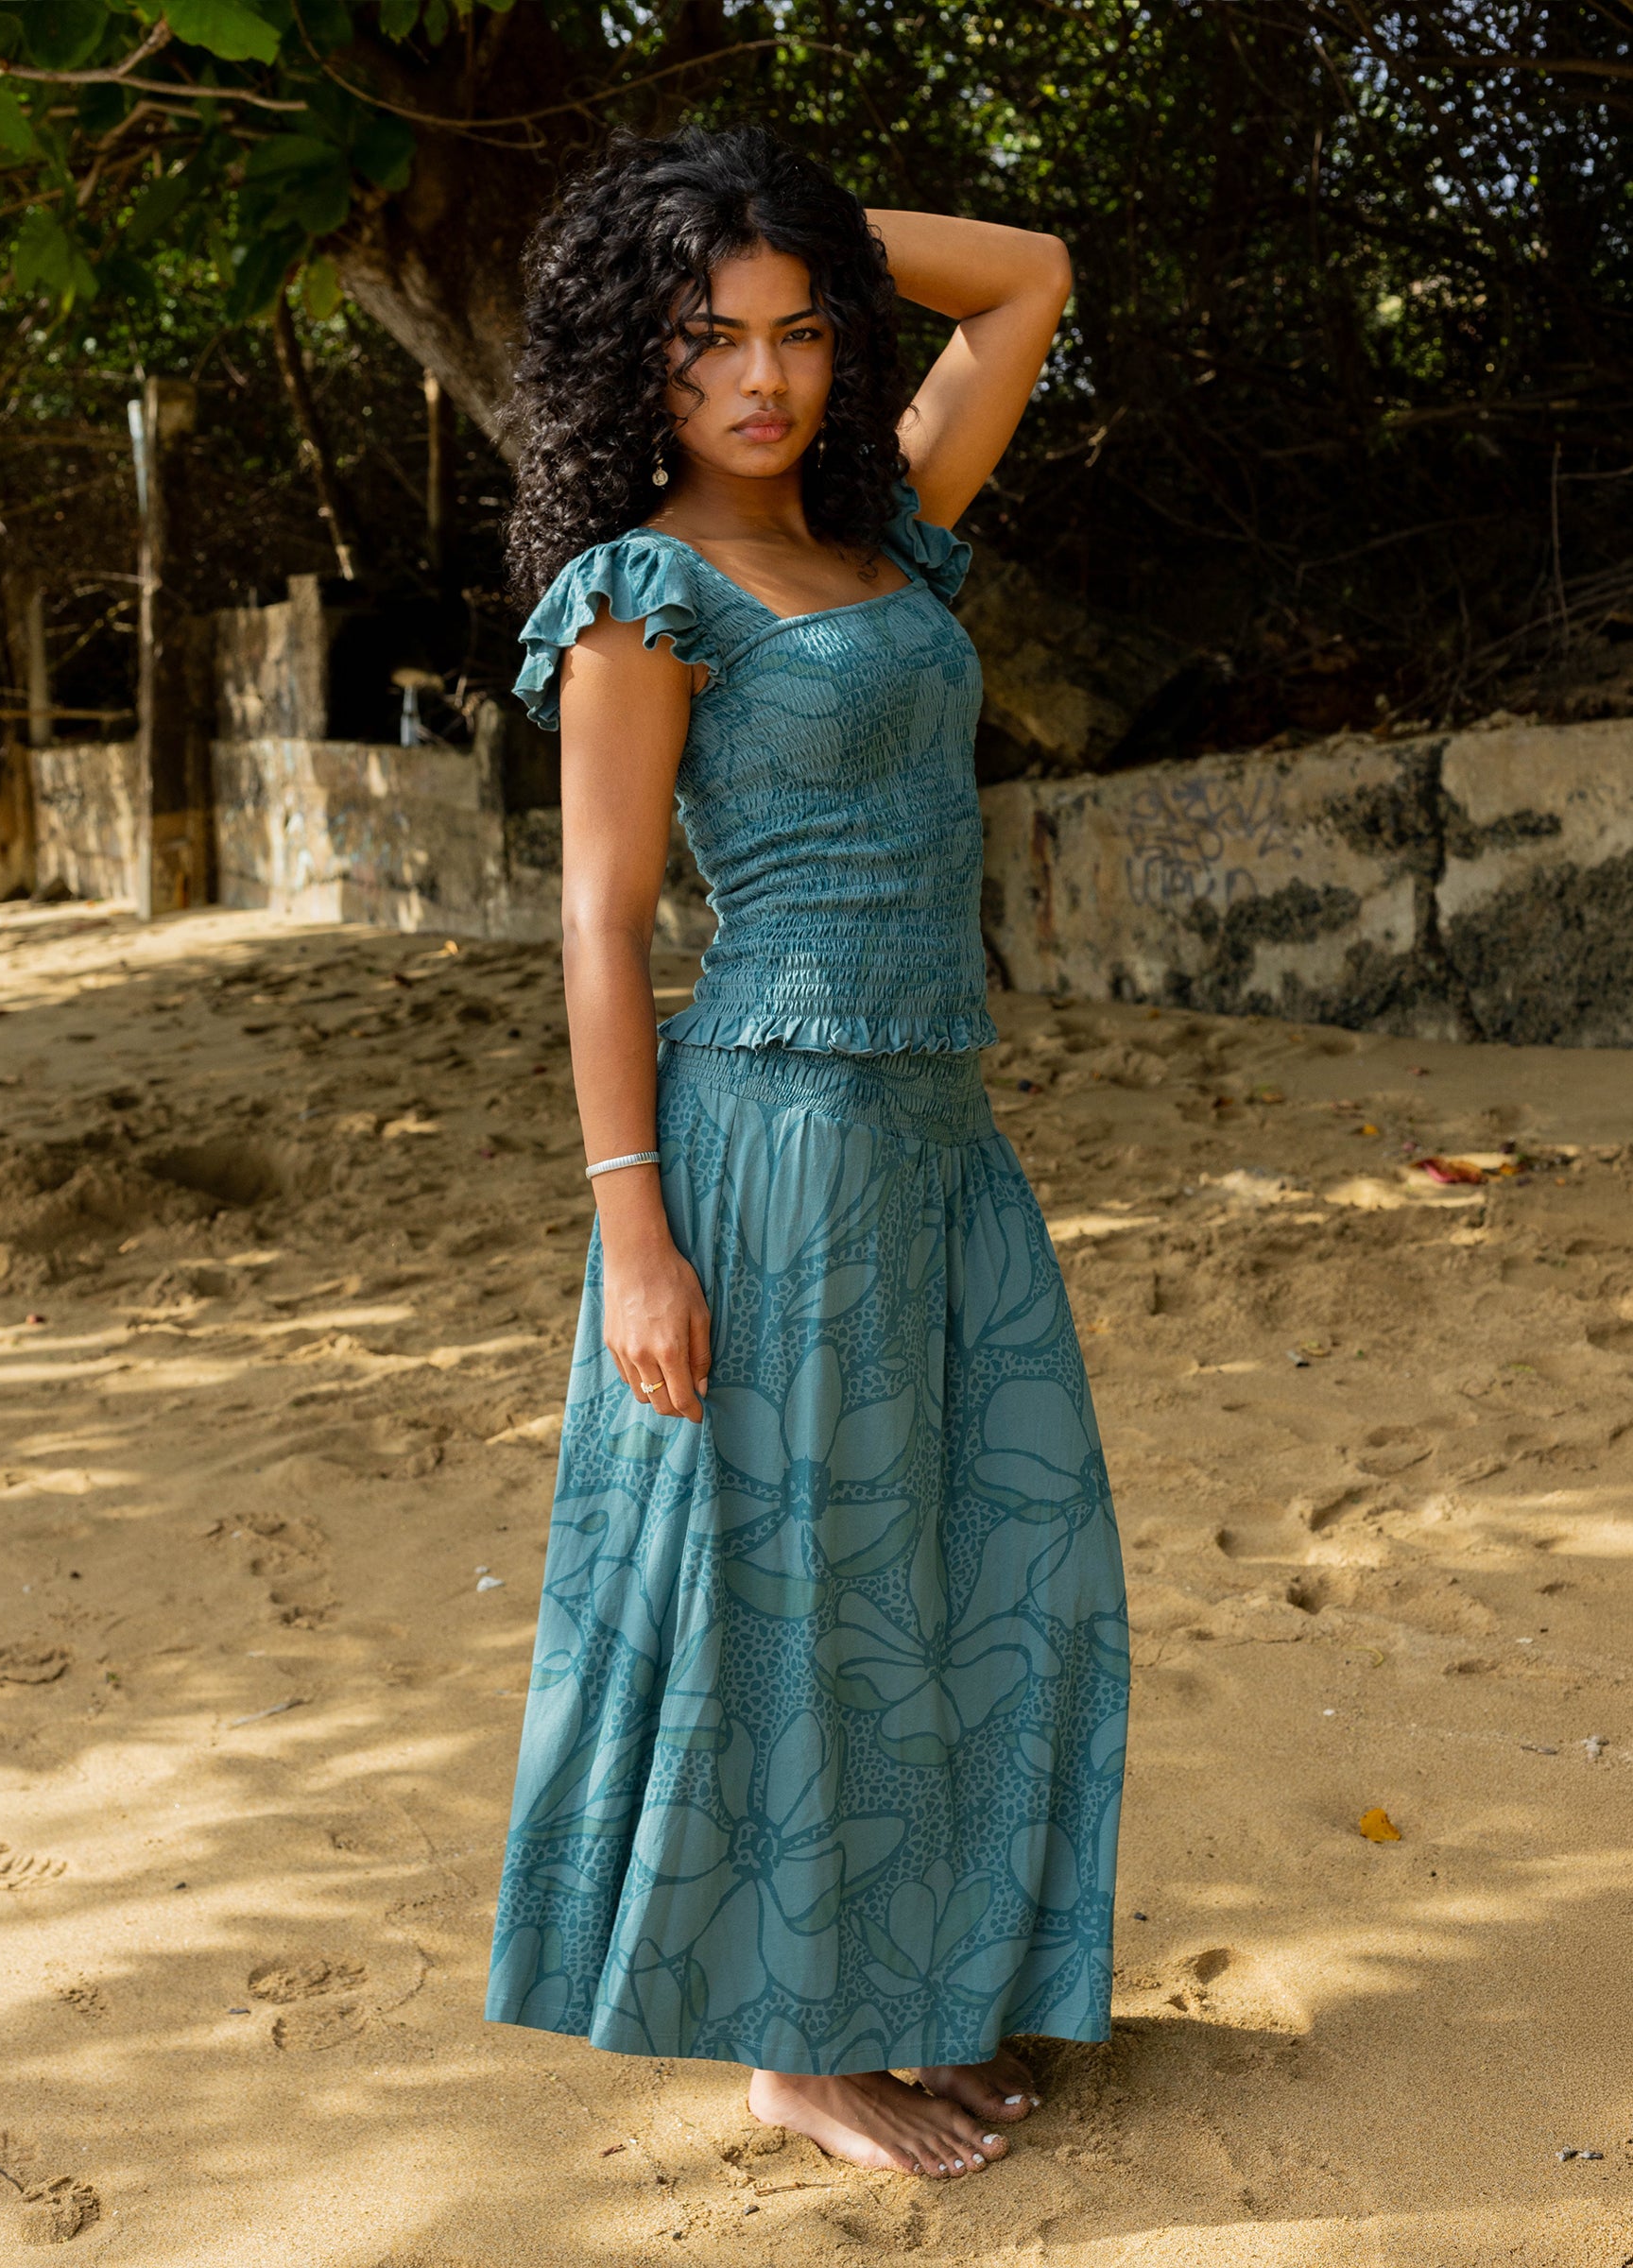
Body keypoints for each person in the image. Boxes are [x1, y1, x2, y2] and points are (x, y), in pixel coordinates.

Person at [486, 123, 1127, 2183]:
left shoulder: (889, 538)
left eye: (796, 332)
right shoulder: (642, 595)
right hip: (773, 1138)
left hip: (941, 1126)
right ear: (634, 369)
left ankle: (897, 1999)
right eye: (705, 342)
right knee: (809, 1589)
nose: (761, 381)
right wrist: (636, 1243)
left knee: (978, 1568)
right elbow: (597, 923)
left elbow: (1022, 273)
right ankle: (795, 2046)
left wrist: (798, 226)